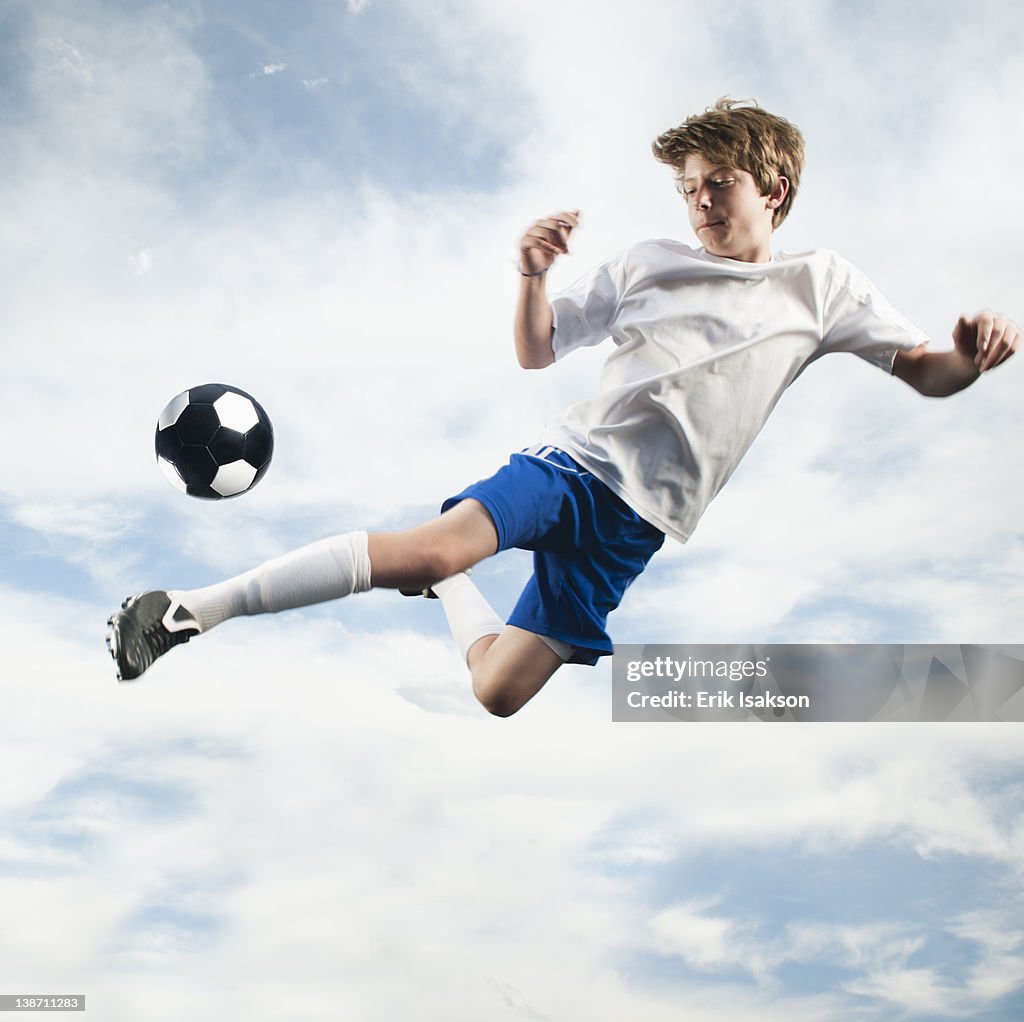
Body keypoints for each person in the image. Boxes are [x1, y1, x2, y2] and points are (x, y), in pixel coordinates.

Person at [107, 98, 1020, 716]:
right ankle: (188, 611)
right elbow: (538, 350)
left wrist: (969, 362)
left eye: (719, 185)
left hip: (639, 525)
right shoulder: (649, 262)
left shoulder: (822, 285)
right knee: (426, 546)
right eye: (689, 187)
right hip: (573, 470)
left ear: (772, 190)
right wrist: (533, 276)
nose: (700, 202)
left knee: (498, 692)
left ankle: (449, 586)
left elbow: (924, 370)